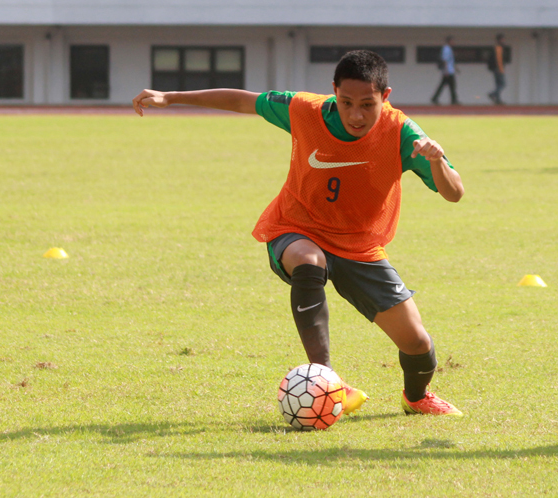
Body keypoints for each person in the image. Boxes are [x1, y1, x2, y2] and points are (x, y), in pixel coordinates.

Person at [131, 50, 466, 417]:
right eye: (346, 102)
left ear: (385, 97)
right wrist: (172, 97)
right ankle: (327, 380)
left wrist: (435, 161)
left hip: (360, 246)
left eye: (367, 104)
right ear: (333, 91)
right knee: (309, 263)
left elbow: (454, 193)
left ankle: (416, 398)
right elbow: (243, 100)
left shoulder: (401, 132)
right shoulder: (305, 110)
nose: (355, 114)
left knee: (417, 343)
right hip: (296, 227)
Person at [432, 36, 459, 105]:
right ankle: (453, 100)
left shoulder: (449, 49)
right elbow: (445, 60)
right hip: (448, 71)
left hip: (449, 70)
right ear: (449, 41)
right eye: (452, 41)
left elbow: (451, 61)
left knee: (447, 85)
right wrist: (446, 71)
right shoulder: (446, 49)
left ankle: (435, 98)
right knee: (451, 85)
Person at [488, 33, 507, 105]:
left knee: (498, 85)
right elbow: (499, 60)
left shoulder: (497, 48)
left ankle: (498, 99)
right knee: (503, 84)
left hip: (496, 68)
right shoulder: (498, 48)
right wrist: (500, 69)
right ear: (500, 40)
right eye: (503, 39)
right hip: (498, 69)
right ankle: (492, 94)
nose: (504, 41)